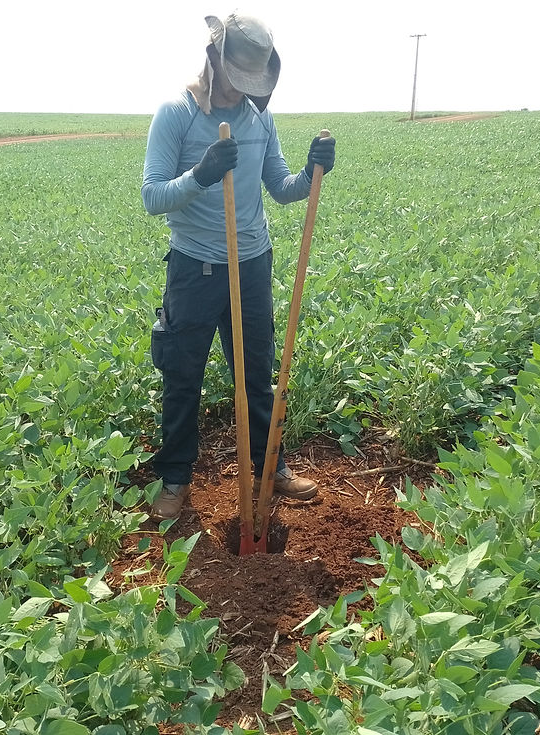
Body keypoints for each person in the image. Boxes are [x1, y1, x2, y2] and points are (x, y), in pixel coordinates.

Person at [141, 12, 336, 520]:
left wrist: (312, 171)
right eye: (239, 76)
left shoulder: (259, 120)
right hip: (195, 270)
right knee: (182, 377)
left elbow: (282, 190)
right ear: (214, 60)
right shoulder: (176, 115)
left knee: (255, 376)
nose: (246, 90)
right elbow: (152, 196)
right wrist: (201, 174)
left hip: (251, 264)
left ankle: (270, 467)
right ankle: (176, 478)